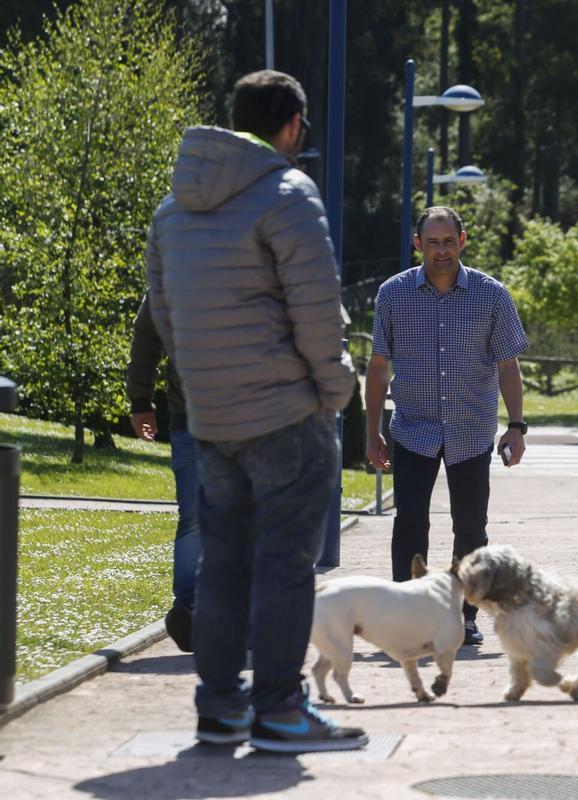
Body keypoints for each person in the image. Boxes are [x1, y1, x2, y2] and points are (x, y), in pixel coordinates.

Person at [146, 70, 366, 752]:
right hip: (284, 416)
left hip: (211, 418)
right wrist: (337, 392)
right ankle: (279, 711)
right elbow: (318, 315)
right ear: (294, 125)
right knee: (284, 567)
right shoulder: (288, 194)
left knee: (224, 565)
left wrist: (201, 385)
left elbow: (163, 314)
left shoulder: (171, 210)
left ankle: (220, 710)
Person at [366, 206, 529, 647]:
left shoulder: (491, 295)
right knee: (411, 522)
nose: (442, 250)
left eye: (448, 241)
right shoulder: (392, 295)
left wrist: (516, 425)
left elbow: (508, 364)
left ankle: (464, 615)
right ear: (418, 244)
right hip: (413, 428)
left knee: (471, 526)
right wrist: (372, 432)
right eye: (432, 242)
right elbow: (379, 367)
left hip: (471, 428)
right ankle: (408, 614)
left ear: (463, 240)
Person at [126, 293, 200, 653]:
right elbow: (146, 337)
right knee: (194, 517)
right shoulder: (172, 272)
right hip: (193, 418)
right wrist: (140, 401)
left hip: (250, 419)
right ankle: (188, 608)